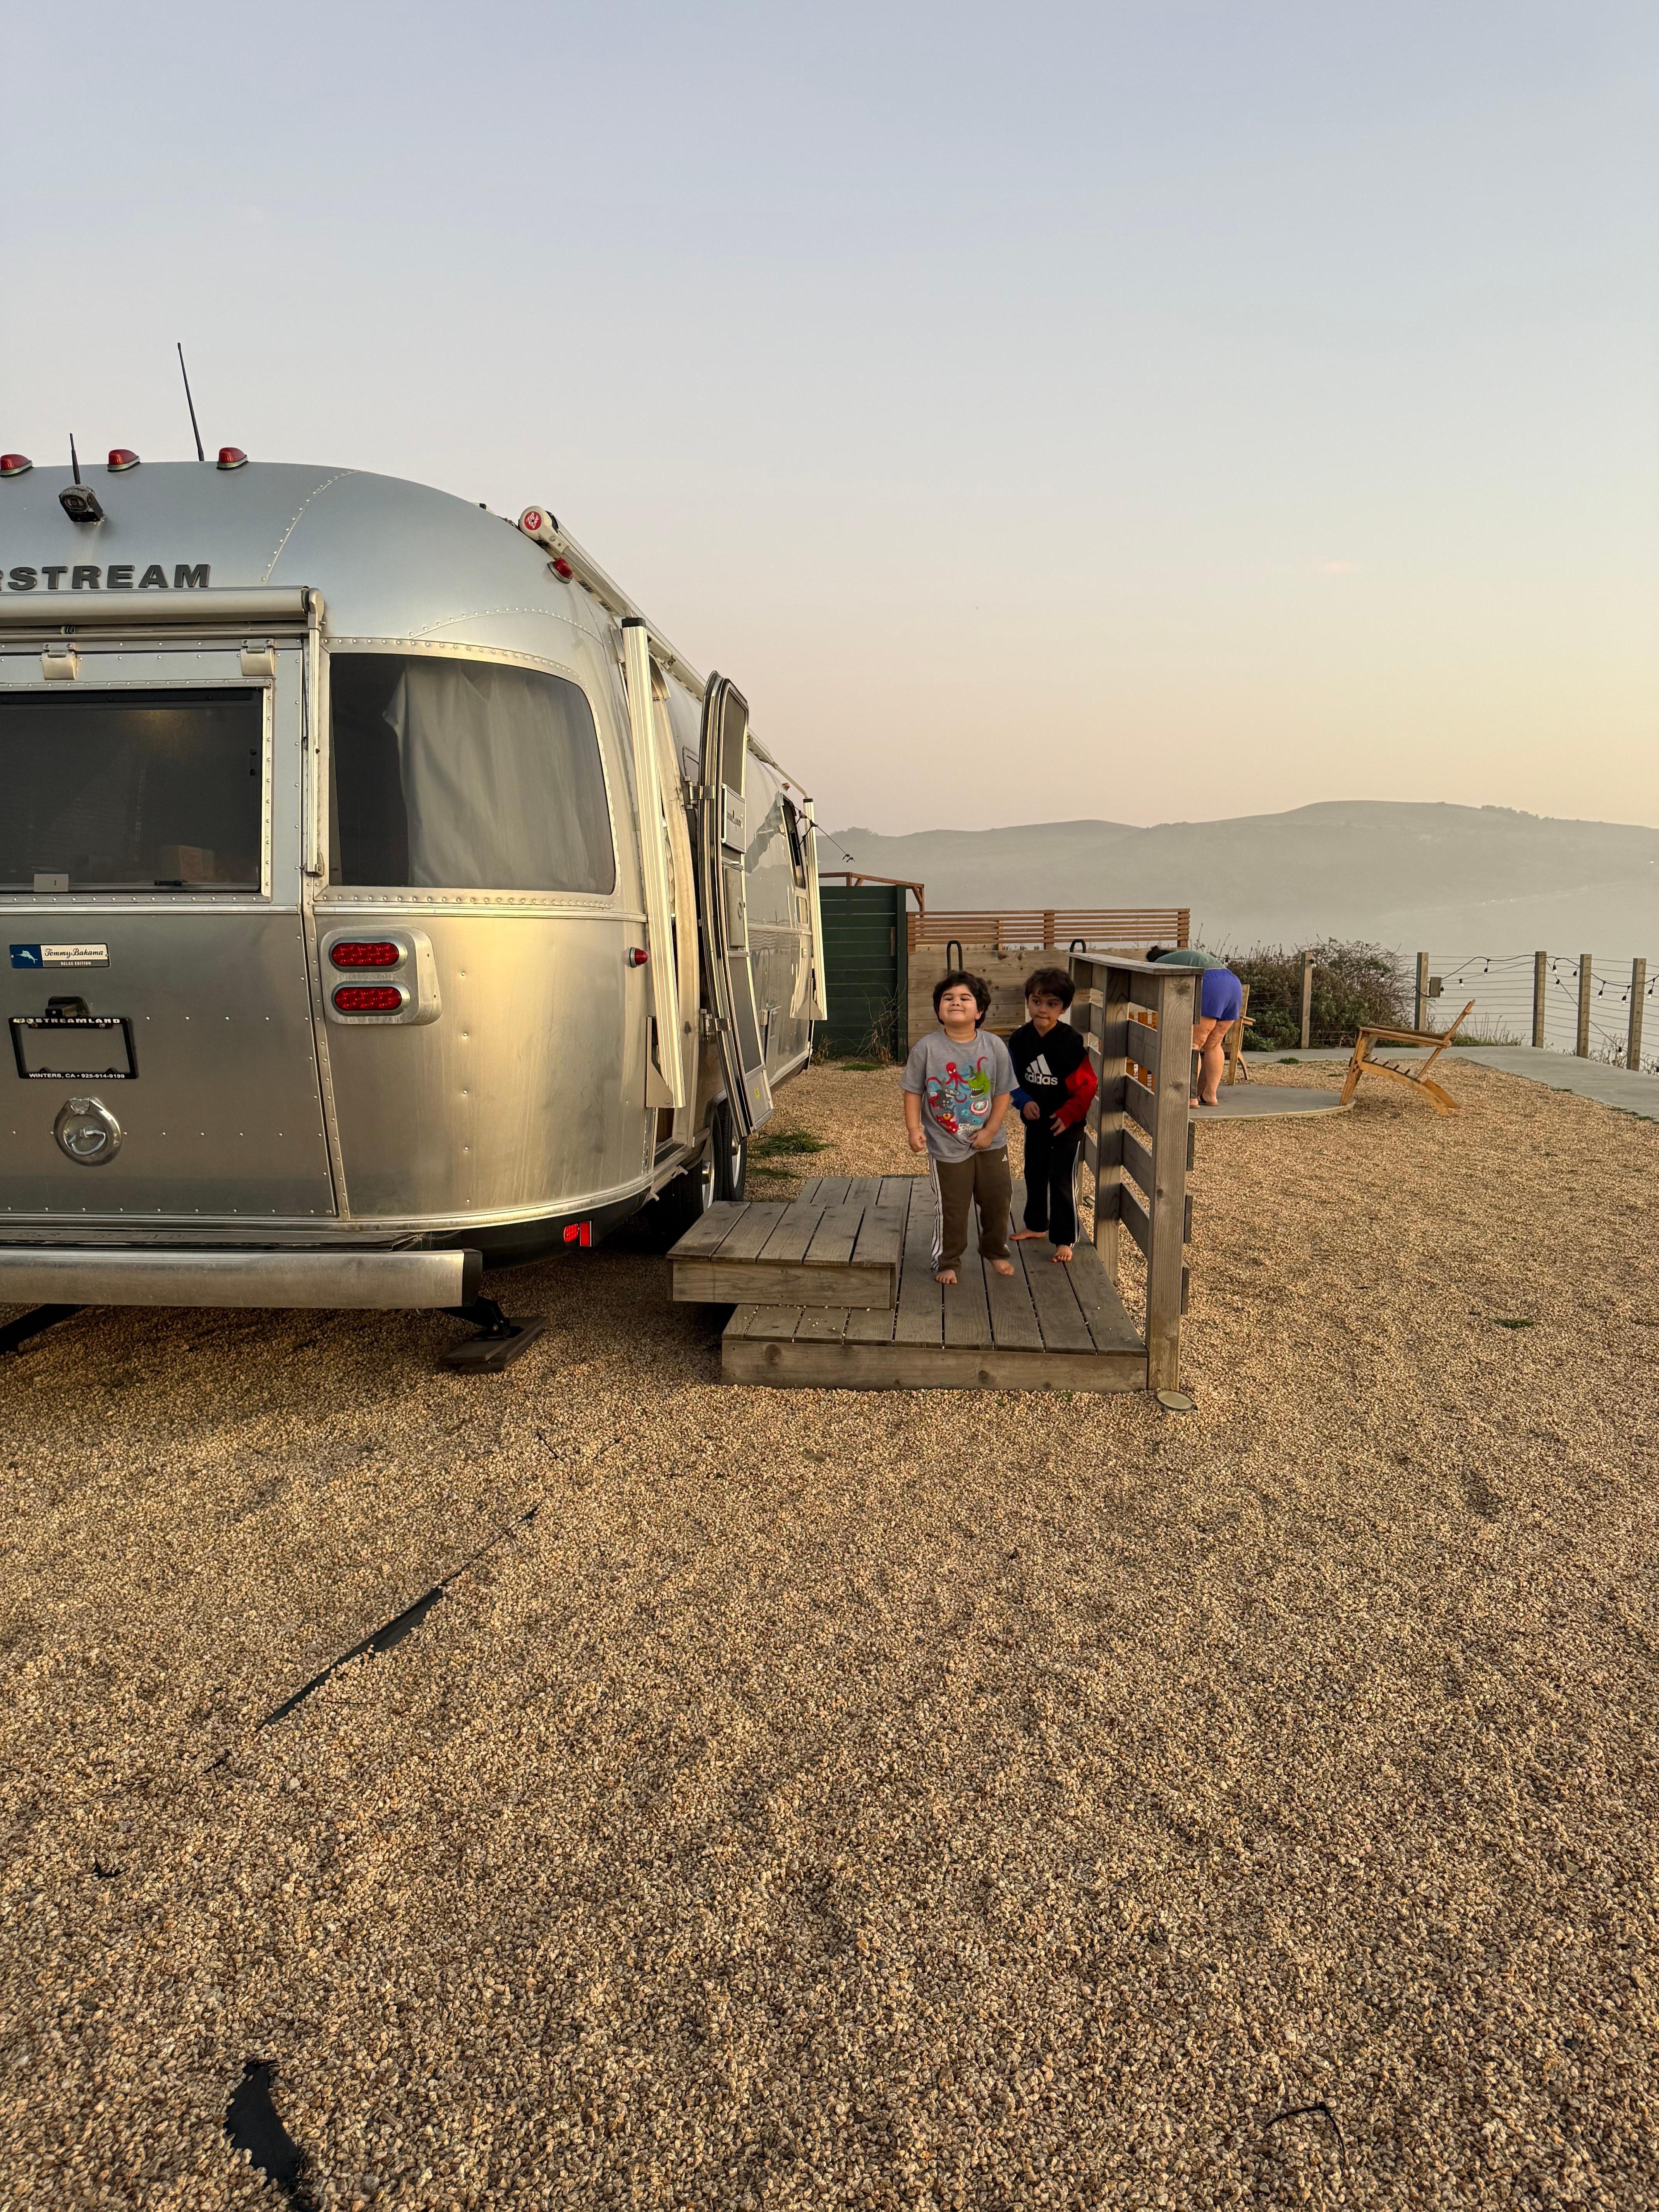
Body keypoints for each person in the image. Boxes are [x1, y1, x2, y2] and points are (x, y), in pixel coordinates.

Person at [901, 970, 1017, 1287]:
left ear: (979, 1011)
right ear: (939, 1010)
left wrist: (991, 1131)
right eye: (948, 998)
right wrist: (913, 1128)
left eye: (965, 998)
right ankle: (948, 1260)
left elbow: (1003, 1093)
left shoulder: (994, 1046)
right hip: (946, 1145)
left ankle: (995, 1250)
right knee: (952, 1207)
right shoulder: (926, 1048)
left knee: (998, 1200)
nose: (956, 1002)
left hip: (991, 1142)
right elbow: (913, 1091)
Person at [1007, 966, 1098, 1263]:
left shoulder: (1070, 1042)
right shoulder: (1020, 1040)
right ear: (1028, 1002)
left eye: (1051, 1004)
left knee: (1061, 1179)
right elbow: (1011, 1080)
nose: (1042, 1009)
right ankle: (1036, 1225)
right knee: (1034, 1173)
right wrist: (1023, 1102)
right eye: (1036, 1001)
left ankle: (1065, 1238)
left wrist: (1069, 1114)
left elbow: (1088, 1085)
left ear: (1064, 1008)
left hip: (1067, 1125)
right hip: (1036, 1122)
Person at [1147, 945, 1244, 1108]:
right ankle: (1210, 1095)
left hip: (1211, 983)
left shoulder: (1159, 963)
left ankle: (1190, 1097)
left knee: (1194, 1044)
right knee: (1214, 1044)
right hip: (1233, 983)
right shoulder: (1185, 957)